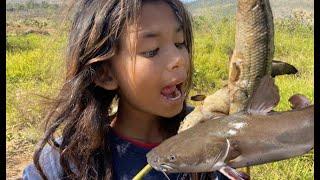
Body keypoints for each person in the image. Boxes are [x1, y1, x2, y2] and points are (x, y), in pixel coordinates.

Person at [22, 0, 237, 179]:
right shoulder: (67, 161)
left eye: (180, 43)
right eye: (152, 51)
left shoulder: (209, 141)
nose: (178, 59)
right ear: (105, 74)